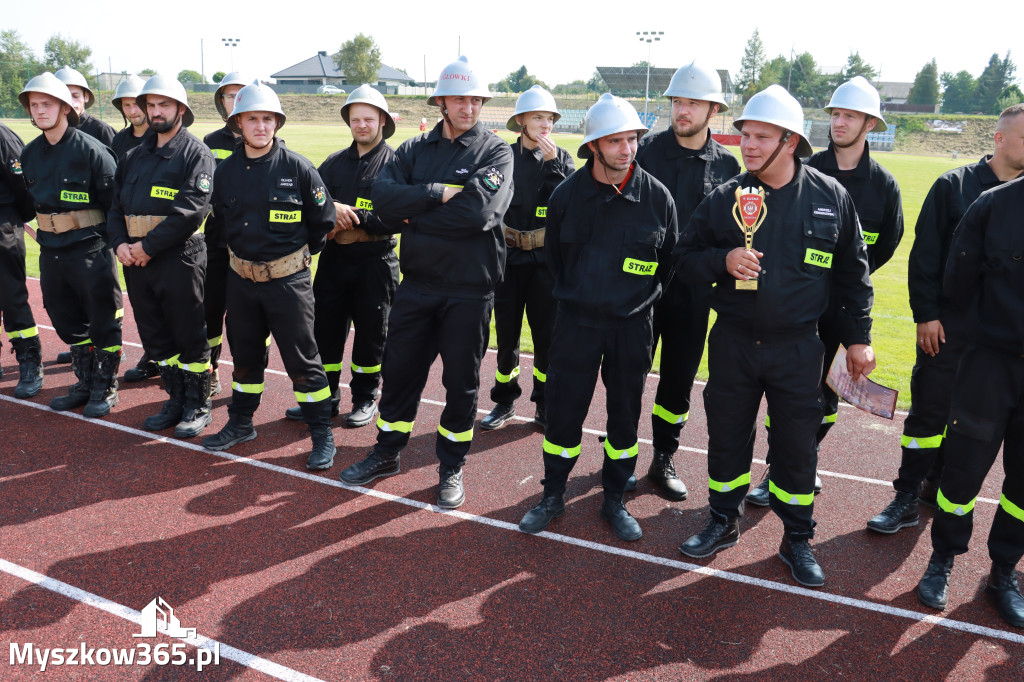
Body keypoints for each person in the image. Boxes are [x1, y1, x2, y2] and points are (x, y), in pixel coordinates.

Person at [675, 85, 875, 587]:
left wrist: (858, 337)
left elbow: (854, 275)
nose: (750, 144)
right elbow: (680, 261)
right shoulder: (726, 199)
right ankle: (723, 520)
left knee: (797, 447)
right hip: (735, 342)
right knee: (725, 438)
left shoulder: (831, 198)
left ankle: (797, 538)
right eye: (745, 135)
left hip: (799, 347)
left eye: (763, 136)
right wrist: (721, 260)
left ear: (791, 141)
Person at [338, 56, 513, 510]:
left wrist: (414, 212)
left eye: (476, 99)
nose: (469, 107)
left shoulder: (496, 151)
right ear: (441, 102)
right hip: (417, 286)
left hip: (470, 290)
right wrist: (437, 194)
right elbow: (383, 199)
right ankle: (386, 452)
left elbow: (480, 214)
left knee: (461, 383)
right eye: (460, 99)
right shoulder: (414, 150)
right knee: (399, 375)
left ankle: (451, 464)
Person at [517, 94, 678, 541]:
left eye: (632, 139)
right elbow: (554, 260)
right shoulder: (567, 195)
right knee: (564, 415)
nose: (627, 149)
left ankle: (614, 500)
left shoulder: (658, 198)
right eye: (615, 141)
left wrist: (632, 301)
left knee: (624, 419)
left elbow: (668, 262)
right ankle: (552, 495)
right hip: (576, 324)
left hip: (632, 327)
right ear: (593, 146)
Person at [865, 104, 1024, 534]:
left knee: (974, 428)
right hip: (950, 331)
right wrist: (927, 315)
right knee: (928, 417)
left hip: (1001, 344)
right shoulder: (954, 186)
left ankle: (938, 488)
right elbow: (926, 257)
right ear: (999, 138)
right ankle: (905, 495)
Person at [748, 75, 904, 507]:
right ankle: (777, 467)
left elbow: (886, 243)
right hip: (804, 308)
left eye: (849, 115)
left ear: (870, 124)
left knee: (830, 395)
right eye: (835, 113)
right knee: (791, 394)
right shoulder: (808, 169)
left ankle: (806, 457)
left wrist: (853, 282)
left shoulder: (884, 186)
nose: (839, 122)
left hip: (846, 311)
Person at [201, 81, 337, 469]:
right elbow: (222, 223)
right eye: (252, 119)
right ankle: (241, 423)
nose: (260, 126)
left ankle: (321, 434)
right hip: (241, 282)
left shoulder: (298, 167)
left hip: (288, 284)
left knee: (303, 361)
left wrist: (291, 262)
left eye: (267, 119)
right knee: (244, 357)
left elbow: (323, 222)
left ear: (276, 123)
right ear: (238, 124)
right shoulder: (225, 171)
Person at [915, 169, 1024, 629]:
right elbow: (957, 280)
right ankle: (943, 558)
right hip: (989, 362)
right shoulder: (995, 205)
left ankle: (1003, 572)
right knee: (963, 468)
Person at [633, 59, 740, 501]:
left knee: (678, 379)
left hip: (694, 294)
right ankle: (618, 457)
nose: (683, 110)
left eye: (693, 103)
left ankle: (663, 457)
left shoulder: (729, 166)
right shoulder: (645, 151)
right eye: (678, 101)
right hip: (639, 288)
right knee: (627, 375)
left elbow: (736, 234)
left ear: (713, 110)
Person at [283, 84, 401, 428]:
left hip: (375, 263)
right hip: (334, 261)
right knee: (325, 333)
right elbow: (311, 206)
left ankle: (365, 398)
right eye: (355, 119)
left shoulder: (397, 165)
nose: (362, 125)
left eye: (368, 118)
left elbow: (399, 217)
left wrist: (354, 216)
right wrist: (330, 210)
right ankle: (327, 397)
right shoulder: (333, 163)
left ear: (382, 120)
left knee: (371, 335)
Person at [107, 74, 216, 438]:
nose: (155, 112)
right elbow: (114, 207)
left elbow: (191, 211)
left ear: (181, 109)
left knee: (189, 333)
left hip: (178, 258)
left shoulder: (195, 154)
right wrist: (120, 243)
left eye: (164, 105)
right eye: (150, 105)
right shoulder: (134, 156)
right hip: (136, 260)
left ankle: (198, 404)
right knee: (155, 334)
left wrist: (146, 248)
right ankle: (175, 398)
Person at [19, 72, 122, 417]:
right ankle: (84, 381)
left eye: (47, 104)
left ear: (65, 108)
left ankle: (105, 387)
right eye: (35, 105)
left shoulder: (92, 150)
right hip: (52, 250)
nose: (40, 111)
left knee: (102, 318)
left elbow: (114, 204)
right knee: (64, 318)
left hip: (90, 248)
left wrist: (110, 245)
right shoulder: (30, 153)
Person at [479, 85, 574, 432]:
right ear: (521, 120)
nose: (545, 124)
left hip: (545, 262)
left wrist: (551, 166)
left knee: (547, 336)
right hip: (507, 258)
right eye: (538, 117)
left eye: (550, 118)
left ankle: (545, 403)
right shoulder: (502, 156)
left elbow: (567, 207)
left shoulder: (562, 159)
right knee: (506, 334)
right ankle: (504, 400)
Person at [200, 71, 250, 395]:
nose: (235, 100)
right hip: (215, 244)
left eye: (241, 94)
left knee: (247, 322)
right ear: (221, 101)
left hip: (250, 248)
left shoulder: (269, 140)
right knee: (210, 314)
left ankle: (247, 381)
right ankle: (210, 370)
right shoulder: (210, 142)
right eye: (229, 95)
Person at [0, 121, 43, 398]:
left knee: (11, 296)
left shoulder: (2, 136)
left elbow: (22, 181)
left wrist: (19, 218)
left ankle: (30, 361)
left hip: (2, 223)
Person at [54, 66, 116, 148]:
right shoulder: (52, 130)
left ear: (86, 97)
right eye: (64, 96)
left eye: (75, 96)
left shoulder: (101, 130)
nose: (70, 102)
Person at [110, 75, 149, 162]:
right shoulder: (119, 139)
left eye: (136, 104)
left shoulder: (162, 137)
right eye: (127, 105)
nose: (132, 111)